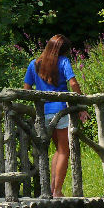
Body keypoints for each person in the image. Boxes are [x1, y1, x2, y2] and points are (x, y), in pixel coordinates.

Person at [23, 34, 88, 197]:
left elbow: (26, 89)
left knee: (57, 151)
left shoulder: (34, 64)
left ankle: (52, 189)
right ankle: (57, 191)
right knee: (64, 151)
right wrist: (81, 105)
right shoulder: (63, 61)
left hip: (43, 112)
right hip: (61, 110)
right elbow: (73, 83)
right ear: (62, 50)